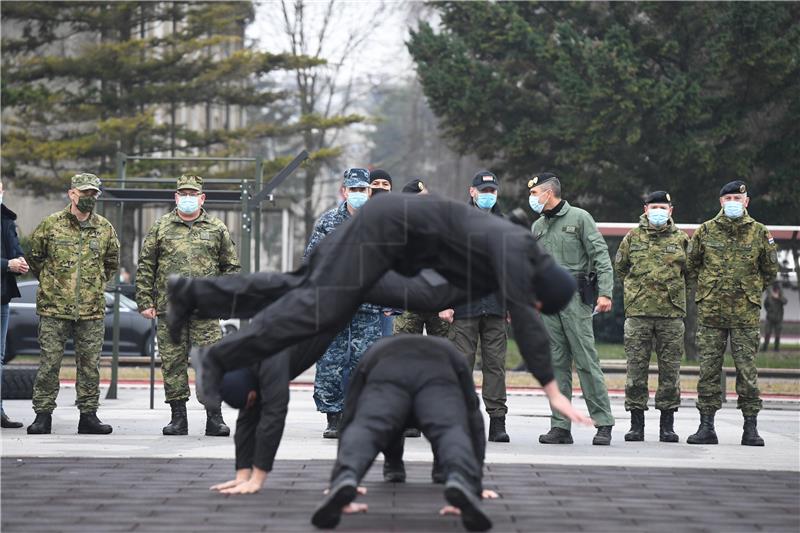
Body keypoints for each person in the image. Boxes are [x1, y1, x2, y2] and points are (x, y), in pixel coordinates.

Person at [170, 192, 584, 434]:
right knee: (323, 307)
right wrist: (552, 391)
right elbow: (527, 324)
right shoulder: (514, 252)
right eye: (536, 302)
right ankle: (221, 357)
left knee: (306, 286)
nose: (527, 304)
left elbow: (440, 289)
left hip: (396, 247)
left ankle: (192, 293)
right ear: (542, 292)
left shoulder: (506, 254)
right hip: (388, 231)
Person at [310, 335, 530, 531]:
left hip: (388, 375)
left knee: (369, 428)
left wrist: (338, 475)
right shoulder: (450, 351)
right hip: (437, 376)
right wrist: (475, 481)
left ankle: (350, 477)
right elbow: (472, 418)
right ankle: (457, 478)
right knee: (450, 430)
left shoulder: (376, 350)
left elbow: (351, 415)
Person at [136, 175, 240, 436]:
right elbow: (146, 266)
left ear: (202, 198)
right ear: (176, 197)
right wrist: (145, 301)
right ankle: (178, 418)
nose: (188, 198)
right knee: (172, 363)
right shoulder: (161, 227)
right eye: (183, 194)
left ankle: (214, 418)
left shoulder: (217, 228)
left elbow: (231, 268)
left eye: (193, 194)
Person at [26, 173, 119, 435]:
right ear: (72, 193)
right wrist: (54, 284)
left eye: (93, 194)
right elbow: (35, 258)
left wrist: (93, 284)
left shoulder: (104, 228)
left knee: (90, 365)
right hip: (54, 309)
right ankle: (43, 416)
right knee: (49, 364)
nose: (89, 198)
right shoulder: (51, 225)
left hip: (90, 311)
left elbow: (111, 263)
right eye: (84, 192)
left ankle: (88, 416)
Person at [686, 180, 777, 446]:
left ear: (746, 202)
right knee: (708, 371)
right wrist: (706, 291)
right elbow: (691, 266)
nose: (733, 204)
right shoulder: (705, 231)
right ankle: (706, 427)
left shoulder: (760, 232)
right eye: (728, 200)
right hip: (711, 313)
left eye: (738, 200)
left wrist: (750, 290)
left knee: (747, 371)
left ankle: (750, 428)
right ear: (721, 202)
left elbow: (770, 271)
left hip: (745, 314)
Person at [529, 172, 615, 445]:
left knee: (586, 360)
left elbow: (600, 254)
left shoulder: (579, 218)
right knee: (556, 364)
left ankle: (603, 422)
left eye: (534, 193)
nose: (532, 199)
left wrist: (605, 292)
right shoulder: (538, 226)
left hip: (575, 298)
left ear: (548, 193)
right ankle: (560, 426)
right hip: (547, 301)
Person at [305, 168, 383, 438]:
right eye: (354, 189)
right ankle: (333, 417)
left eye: (363, 189)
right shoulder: (328, 223)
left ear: (370, 192)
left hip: (369, 303)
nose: (359, 194)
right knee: (331, 359)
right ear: (344, 191)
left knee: (367, 360)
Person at [614, 191, 688, 442]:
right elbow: (621, 268)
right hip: (638, 314)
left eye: (663, 207)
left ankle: (667, 426)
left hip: (671, 315)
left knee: (670, 372)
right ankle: (637, 424)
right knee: (636, 370)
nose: (658, 211)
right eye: (654, 206)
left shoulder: (681, 239)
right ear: (646, 209)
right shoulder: (632, 238)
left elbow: (690, 273)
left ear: (671, 210)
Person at [449, 171, 510, 443]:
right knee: (462, 365)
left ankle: (497, 421)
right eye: (483, 190)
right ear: (472, 191)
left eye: (492, 191)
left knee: (495, 366)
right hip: (464, 305)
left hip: (497, 305)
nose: (488, 195)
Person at [1, 179, 28, 428]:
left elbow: (14, 250)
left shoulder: (7, 220)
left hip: (2, 297)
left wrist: (19, 261)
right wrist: (5, 265)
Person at [368, 169, 402, 337]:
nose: (380, 187)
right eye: (375, 184)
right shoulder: (354, 217)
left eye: (385, 184)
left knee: (382, 355)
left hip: (385, 305)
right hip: (355, 305)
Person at [762, 283, 787, 352]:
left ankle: (776, 348)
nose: (776, 291)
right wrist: (769, 311)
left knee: (777, 334)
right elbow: (765, 304)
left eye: (777, 290)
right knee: (767, 333)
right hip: (769, 318)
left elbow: (785, 302)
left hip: (779, 319)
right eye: (775, 290)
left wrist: (778, 298)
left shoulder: (781, 297)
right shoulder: (769, 297)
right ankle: (764, 348)